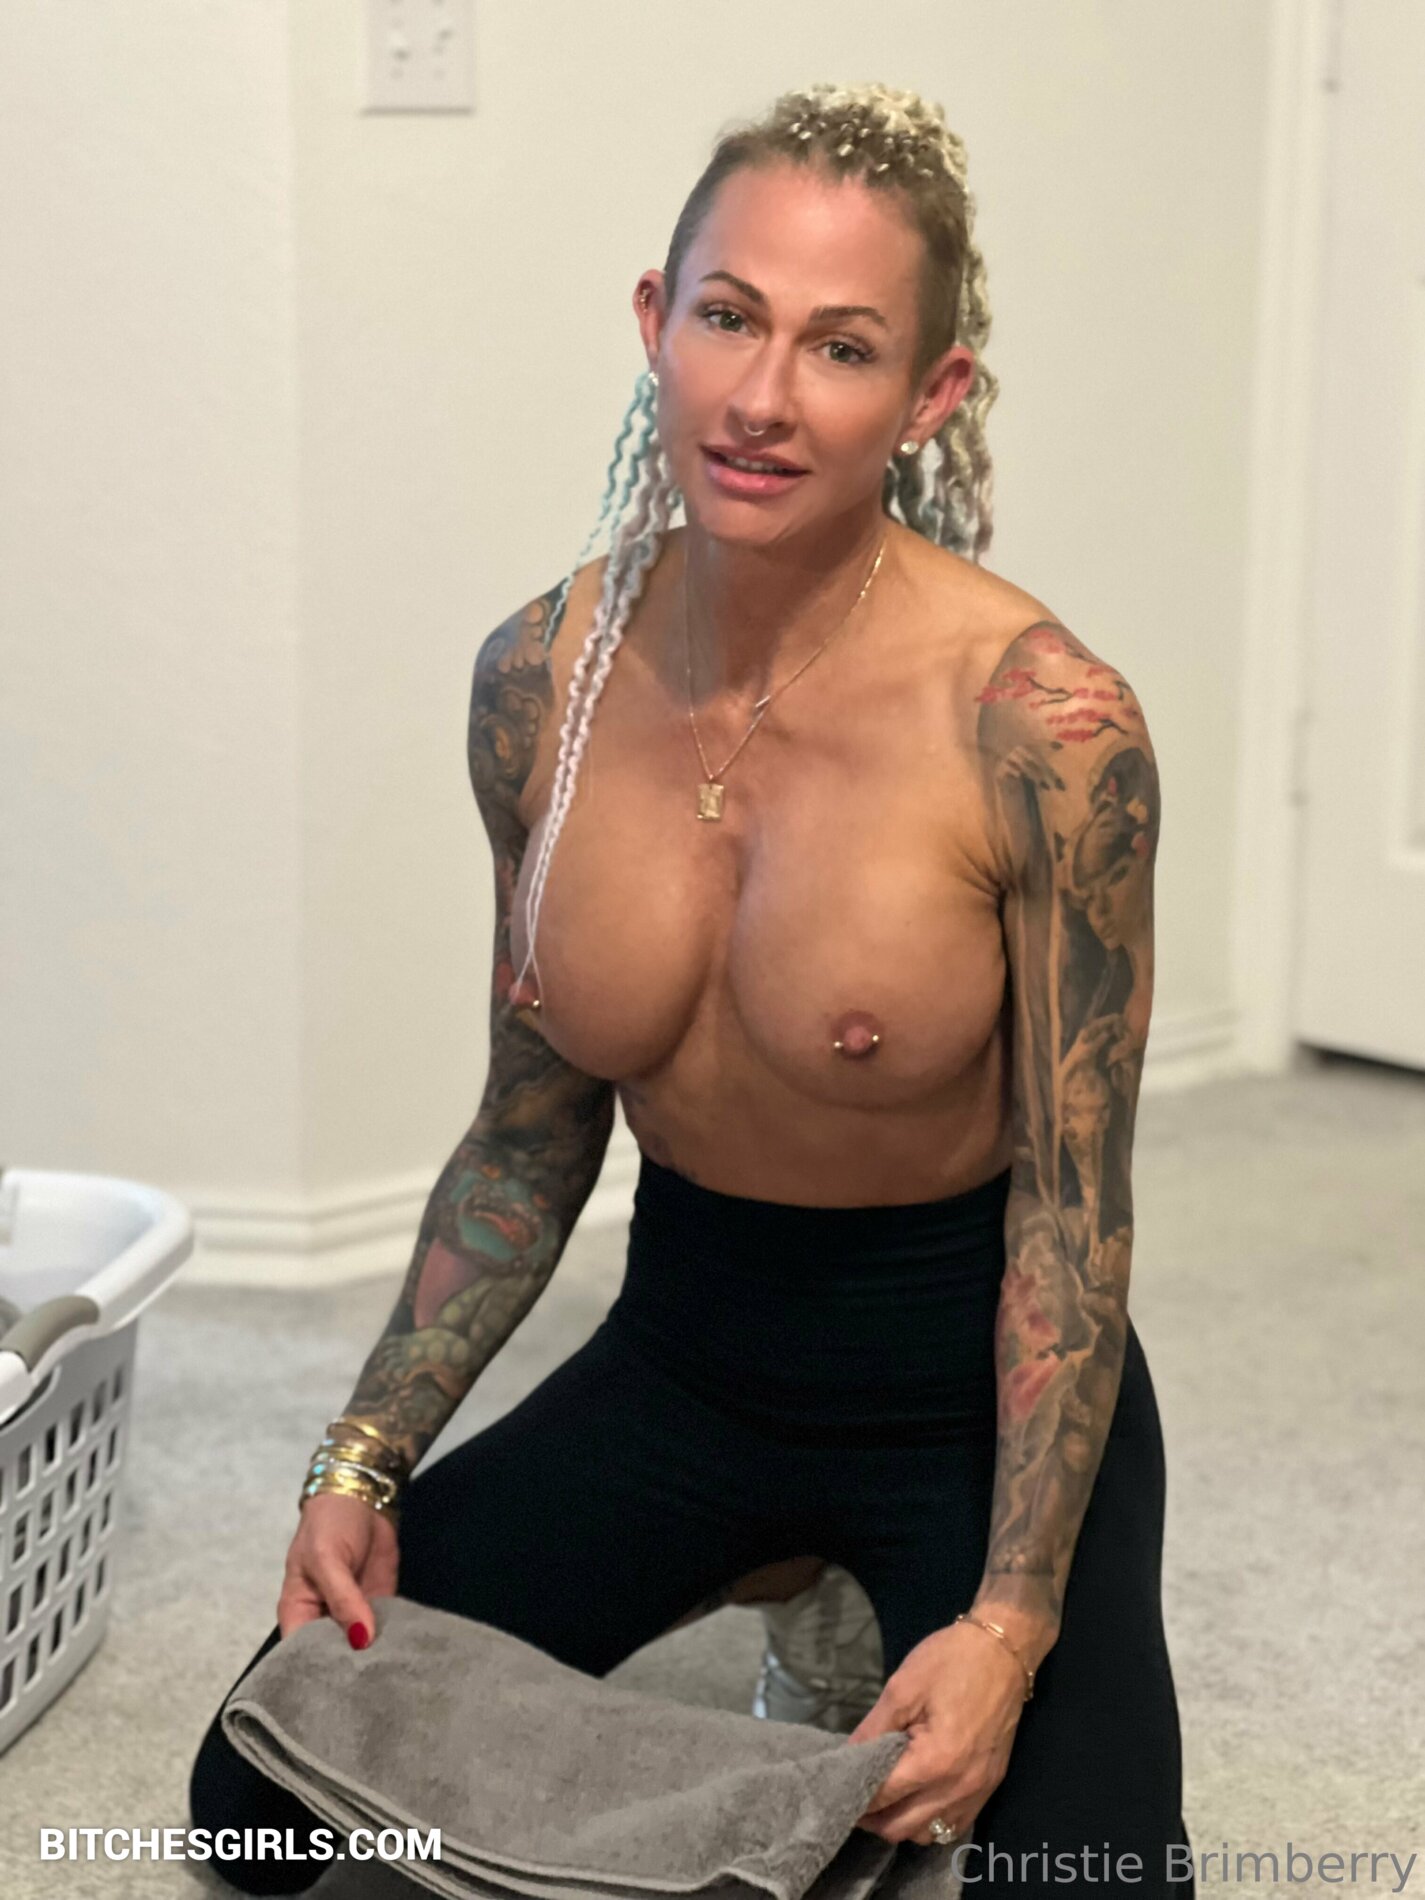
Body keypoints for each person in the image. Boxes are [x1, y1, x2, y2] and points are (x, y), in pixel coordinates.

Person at [189, 81, 1193, 1898]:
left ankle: (875, 1610)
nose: (760, 398)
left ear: (931, 394)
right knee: (253, 1804)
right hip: (685, 1360)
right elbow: (525, 1136)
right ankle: (771, 1572)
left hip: (964, 1391)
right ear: (655, 318)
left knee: (1089, 1887)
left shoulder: (1042, 726)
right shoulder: (542, 682)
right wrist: (359, 1461)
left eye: (841, 348)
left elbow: (1073, 1211)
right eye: (728, 317)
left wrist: (1010, 1624)